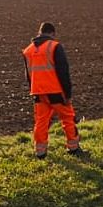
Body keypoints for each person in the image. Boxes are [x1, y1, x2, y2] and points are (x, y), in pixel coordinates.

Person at [22, 21, 83, 159]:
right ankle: (73, 148)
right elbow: (63, 72)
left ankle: (40, 151)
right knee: (68, 118)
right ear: (52, 33)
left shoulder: (28, 50)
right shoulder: (54, 46)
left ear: (39, 33)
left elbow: (28, 75)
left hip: (38, 92)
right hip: (56, 91)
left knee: (41, 121)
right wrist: (68, 94)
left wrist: (34, 90)